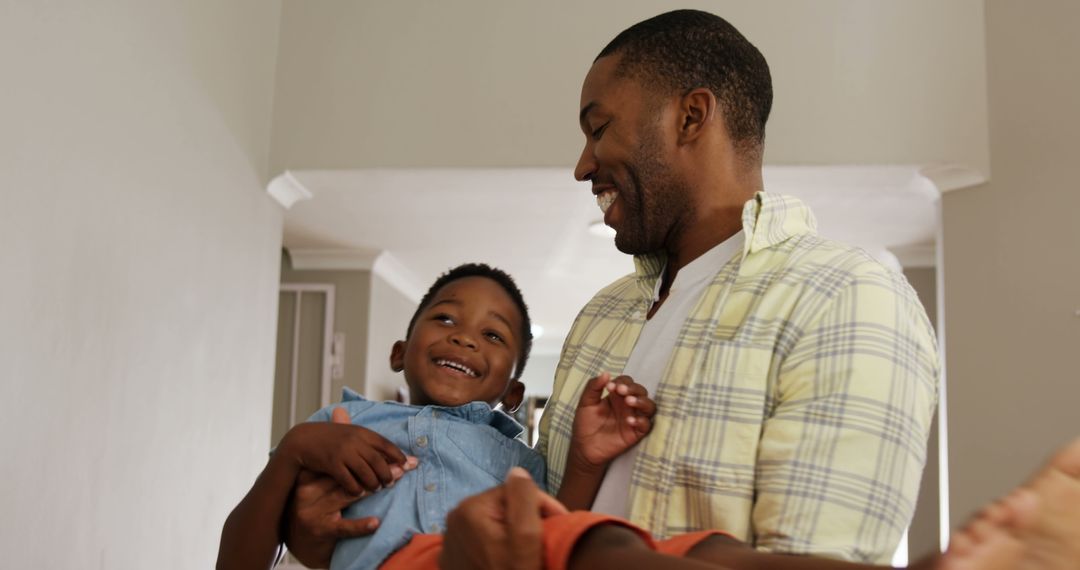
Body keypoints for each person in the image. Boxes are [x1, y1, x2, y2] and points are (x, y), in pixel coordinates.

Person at [284, 8, 938, 565]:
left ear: (690, 117)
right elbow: (544, 524)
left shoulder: (846, 297)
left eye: (599, 129)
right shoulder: (603, 317)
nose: (582, 165)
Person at [216, 263, 657, 570]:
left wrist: (585, 460)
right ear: (399, 353)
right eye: (445, 318)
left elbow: (556, 534)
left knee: (618, 546)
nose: (465, 338)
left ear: (514, 393)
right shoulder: (338, 424)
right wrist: (293, 451)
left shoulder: (519, 461)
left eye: (492, 334)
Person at [426, 436, 1080, 570]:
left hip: (549, 536)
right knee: (714, 554)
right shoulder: (359, 428)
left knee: (721, 554)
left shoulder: (498, 442)